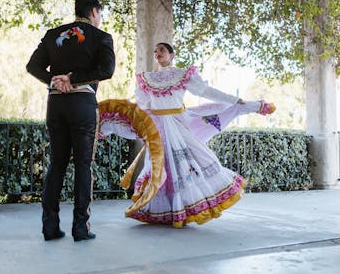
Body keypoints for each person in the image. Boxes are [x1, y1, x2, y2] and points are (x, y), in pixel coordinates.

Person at [99, 42, 274, 228]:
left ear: (172, 55)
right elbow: (141, 107)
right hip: (157, 128)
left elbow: (206, 91)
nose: (157, 53)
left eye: (162, 50)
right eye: (155, 50)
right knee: (160, 166)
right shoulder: (146, 78)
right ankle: (161, 211)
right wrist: (139, 126)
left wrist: (234, 99)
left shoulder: (182, 75)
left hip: (178, 124)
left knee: (190, 161)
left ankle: (184, 209)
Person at [26, 0, 115, 241]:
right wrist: (73, 79)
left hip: (56, 103)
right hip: (82, 104)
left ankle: (50, 228)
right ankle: (80, 228)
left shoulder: (53, 34)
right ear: (95, 12)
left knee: (57, 164)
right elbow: (106, 71)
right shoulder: (101, 37)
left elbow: (32, 66)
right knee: (83, 165)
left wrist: (55, 80)